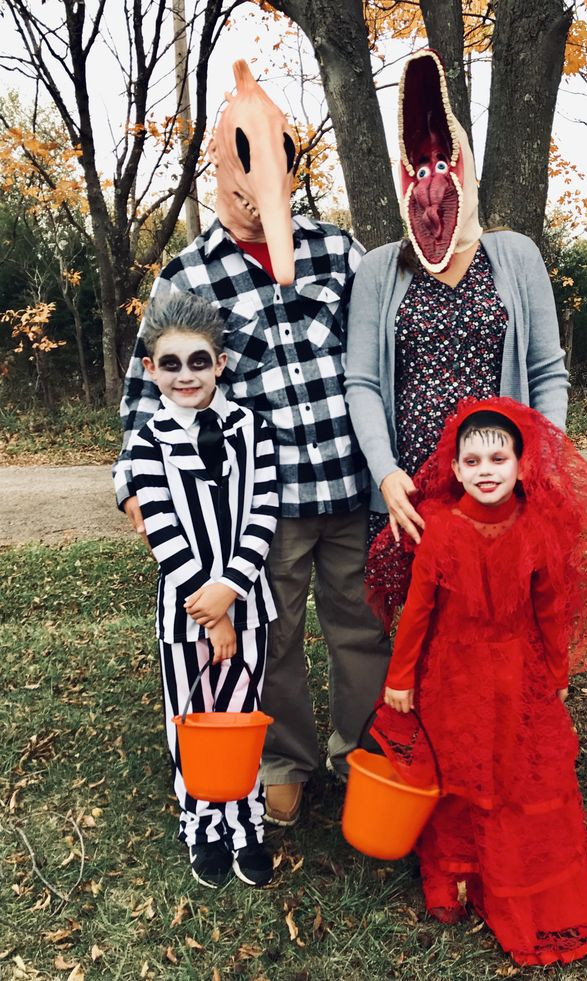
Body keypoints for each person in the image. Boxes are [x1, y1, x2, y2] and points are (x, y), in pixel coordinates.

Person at [113, 59, 390, 829]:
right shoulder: (190, 276)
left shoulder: (340, 251)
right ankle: (285, 758)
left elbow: (381, 360)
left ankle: (363, 747)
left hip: (350, 482)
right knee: (273, 633)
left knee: (361, 622)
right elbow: (148, 391)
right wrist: (134, 482)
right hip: (263, 504)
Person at [367, 397, 587, 967]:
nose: (486, 470)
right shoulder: (438, 528)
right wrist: (401, 678)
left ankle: (521, 887)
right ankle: (460, 879)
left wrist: (556, 671)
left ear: (521, 463)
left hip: (519, 673)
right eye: (472, 461)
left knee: (521, 772)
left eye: (499, 457)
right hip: (452, 674)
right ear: (456, 469)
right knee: (460, 767)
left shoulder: (538, 526)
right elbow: (417, 610)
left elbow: (551, 609)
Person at [345, 50, 569, 545]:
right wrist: (385, 473)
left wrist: (539, 464)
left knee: (498, 614)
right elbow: (361, 382)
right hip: (411, 493)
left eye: (443, 162)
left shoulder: (516, 256)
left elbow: (547, 372)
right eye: (421, 167)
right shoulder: (379, 269)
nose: (434, 181)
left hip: (500, 487)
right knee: (423, 617)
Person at [127, 292, 278, 889]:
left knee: (240, 715)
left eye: (197, 361)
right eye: (171, 364)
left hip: (250, 606)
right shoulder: (146, 443)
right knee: (188, 716)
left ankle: (245, 823)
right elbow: (162, 530)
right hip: (182, 615)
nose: (185, 374)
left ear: (219, 364)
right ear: (150, 370)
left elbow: (262, 514)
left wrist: (233, 592)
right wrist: (209, 611)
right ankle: (201, 823)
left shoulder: (253, 430)